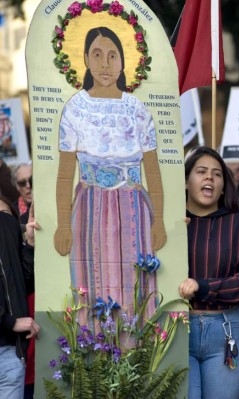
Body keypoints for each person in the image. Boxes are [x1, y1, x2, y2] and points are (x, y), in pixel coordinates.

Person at [53, 27, 166, 321]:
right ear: (87, 60)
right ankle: (97, 356)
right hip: (90, 206)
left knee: (135, 279)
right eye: (98, 55)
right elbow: (65, 174)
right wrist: (63, 224)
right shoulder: (75, 109)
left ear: (123, 61)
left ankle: (135, 356)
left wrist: (160, 221)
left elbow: (152, 171)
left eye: (113, 56)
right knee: (93, 279)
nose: (105, 64)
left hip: (134, 208)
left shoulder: (138, 110)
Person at [178, 146, 239, 399]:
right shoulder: (167, 223)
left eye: (217, 174)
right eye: (201, 171)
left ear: (224, 186)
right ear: (185, 181)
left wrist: (203, 287)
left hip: (228, 329)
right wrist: (170, 233)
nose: (209, 178)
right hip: (177, 328)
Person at [0, 195, 40, 399]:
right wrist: (9, 321)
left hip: (9, 352)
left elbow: (20, 286)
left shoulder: (8, 226)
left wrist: (30, 245)